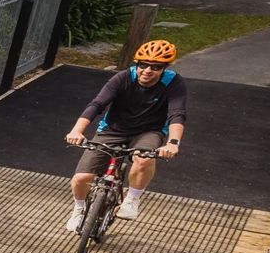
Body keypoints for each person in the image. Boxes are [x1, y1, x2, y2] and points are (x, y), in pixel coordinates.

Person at [63, 39, 186, 229]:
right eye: (143, 65)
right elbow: (97, 104)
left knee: (144, 159)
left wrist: (173, 143)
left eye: (155, 67)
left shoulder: (173, 82)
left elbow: (177, 114)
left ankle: (132, 199)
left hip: (148, 131)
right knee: (81, 178)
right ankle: (79, 209)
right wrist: (77, 131)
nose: (147, 70)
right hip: (113, 129)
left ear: (164, 68)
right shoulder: (123, 77)